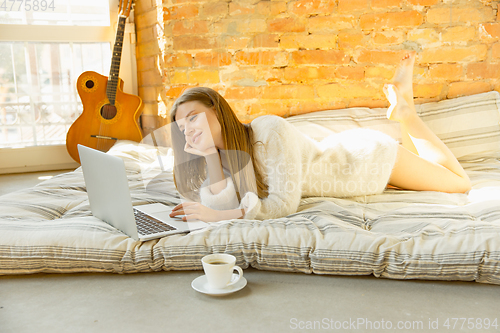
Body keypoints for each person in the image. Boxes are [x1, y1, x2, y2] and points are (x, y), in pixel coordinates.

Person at [168, 51, 471, 222]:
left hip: (364, 162)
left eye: (193, 116)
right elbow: (222, 207)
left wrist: (217, 216)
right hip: (346, 159)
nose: (189, 130)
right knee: (424, 165)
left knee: (459, 183)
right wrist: (209, 155)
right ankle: (403, 106)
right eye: (182, 127)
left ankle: (408, 111)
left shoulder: (267, 130)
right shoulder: (223, 158)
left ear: (218, 111)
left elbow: (283, 205)